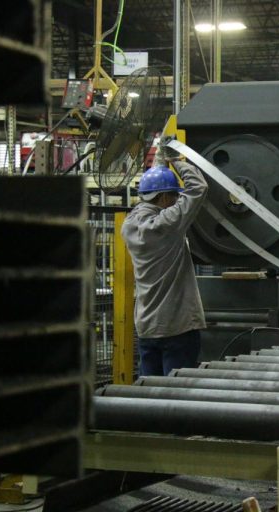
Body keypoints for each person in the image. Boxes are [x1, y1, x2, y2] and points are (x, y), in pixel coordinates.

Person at [121, 144, 209, 376]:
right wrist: (177, 160)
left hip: (147, 328)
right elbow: (198, 188)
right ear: (163, 198)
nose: (176, 200)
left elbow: (154, 190)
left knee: (149, 391)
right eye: (174, 195)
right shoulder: (166, 224)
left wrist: (161, 159)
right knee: (177, 391)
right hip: (176, 328)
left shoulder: (129, 225)